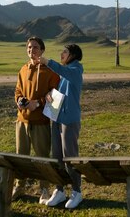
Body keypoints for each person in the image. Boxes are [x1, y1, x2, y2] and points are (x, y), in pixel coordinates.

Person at [12, 36, 60, 204]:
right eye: (29, 47)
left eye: (36, 47)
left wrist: (38, 103)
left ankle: (45, 188)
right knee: (21, 156)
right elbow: (18, 91)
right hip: (22, 120)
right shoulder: (23, 69)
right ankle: (19, 186)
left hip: (41, 122)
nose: (32, 50)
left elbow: (55, 93)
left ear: (42, 50)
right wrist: (22, 102)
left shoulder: (49, 71)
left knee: (42, 157)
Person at [39, 44, 84, 209]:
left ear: (72, 55)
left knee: (69, 158)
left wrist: (47, 62)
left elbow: (63, 72)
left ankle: (77, 191)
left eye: (64, 51)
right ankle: (59, 190)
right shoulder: (66, 73)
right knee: (57, 156)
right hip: (57, 118)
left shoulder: (75, 71)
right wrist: (50, 96)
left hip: (69, 120)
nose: (61, 53)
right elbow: (61, 93)